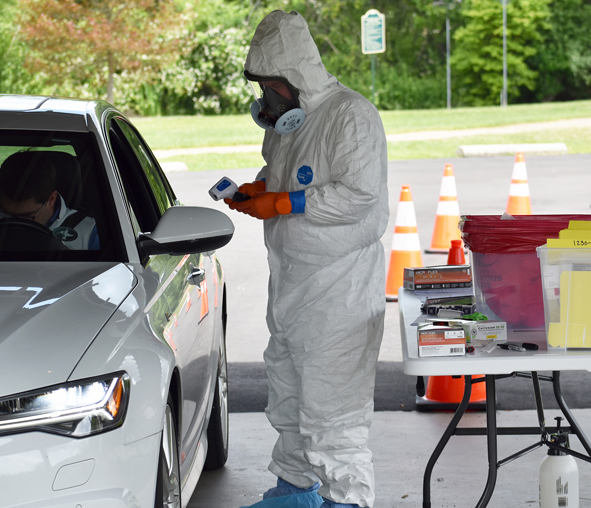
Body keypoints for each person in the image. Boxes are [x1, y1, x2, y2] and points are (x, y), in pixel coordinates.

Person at [226, 10, 389, 508]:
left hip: (341, 289)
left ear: (296, 75)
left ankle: (347, 501)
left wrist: (285, 202)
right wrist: (260, 189)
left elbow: (360, 195)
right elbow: (282, 171)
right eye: (262, 87)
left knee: (333, 411)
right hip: (293, 283)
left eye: (272, 85)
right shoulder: (285, 124)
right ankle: (295, 491)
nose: (267, 97)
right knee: (290, 397)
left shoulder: (350, 115)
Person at [0, 150, 99, 250]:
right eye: (6, 213)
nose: (15, 222)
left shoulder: (89, 235)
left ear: (51, 199)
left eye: (26, 217)